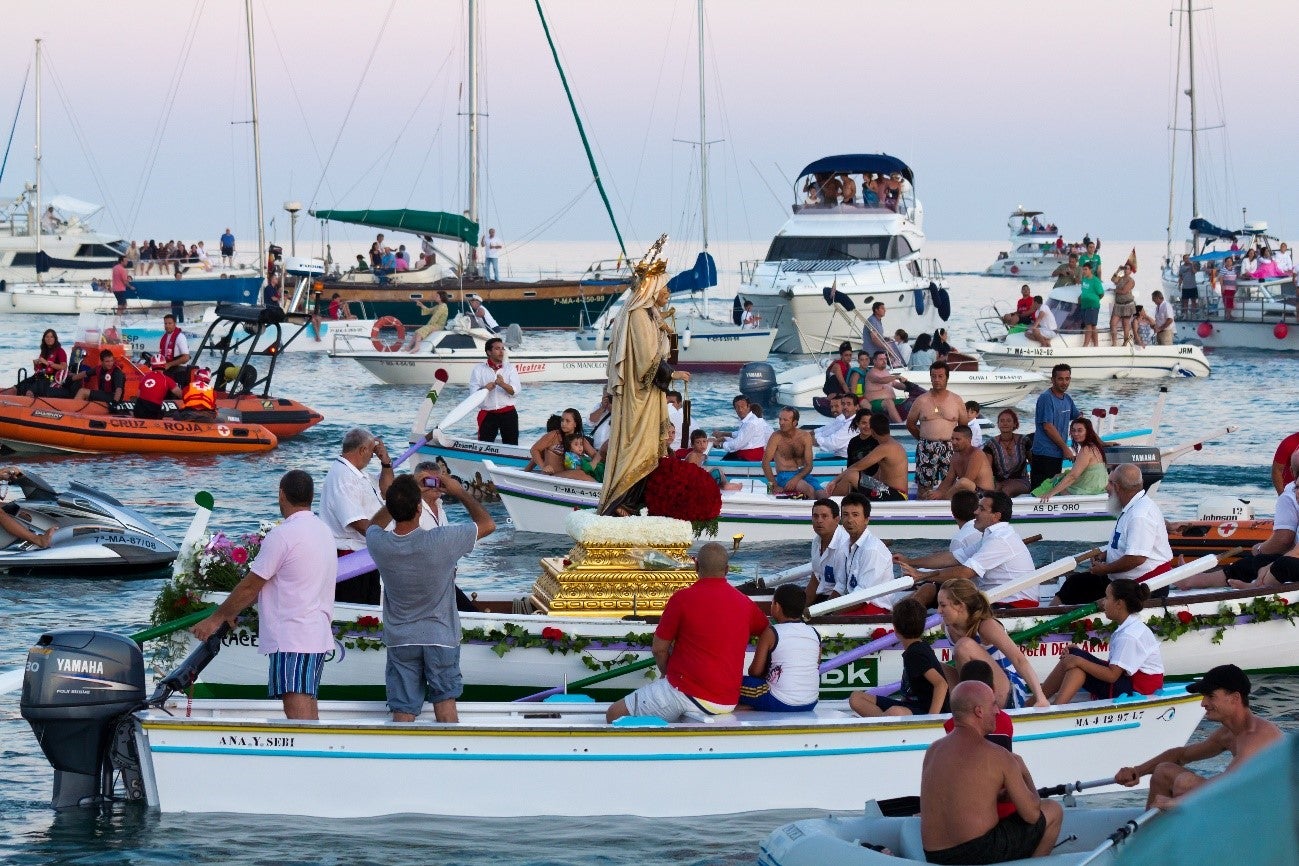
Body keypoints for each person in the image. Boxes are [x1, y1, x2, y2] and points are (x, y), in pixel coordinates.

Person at [191, 470, 337, 720]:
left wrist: (215, 619)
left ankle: (304, 756)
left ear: (282, 494)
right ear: (311, 497)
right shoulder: (323, 532)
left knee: (297, 704)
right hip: (315, 631)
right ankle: (313, 756)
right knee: (307, 701)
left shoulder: (283, 535)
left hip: (294, 635)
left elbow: (251, 585)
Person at [366, 473, 495, 723]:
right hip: (440, 636)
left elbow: (373, 525)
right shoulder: (441, 540)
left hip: (401, 638)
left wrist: (397, 499)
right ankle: (452, 757)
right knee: (445, 701)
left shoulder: (379, 544)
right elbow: (488, 524)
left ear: (392, 509)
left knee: (402, 709)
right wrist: (460, 492)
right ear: (419, 508)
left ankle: (401, 759)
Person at [606, 543, 770, 723]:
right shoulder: (745, 604)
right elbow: (768, 632)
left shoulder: (682, 599)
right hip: (726, 701)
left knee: (614, 714)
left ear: (696, 566)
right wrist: (758, 670)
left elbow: (659, 649)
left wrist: (668, 674)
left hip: (685, 691)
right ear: (727, 569)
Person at [920, 680, 1062, 864]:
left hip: (935, 855)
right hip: (978, 852)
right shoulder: (998, 755)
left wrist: (996, 795)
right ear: (979, 711)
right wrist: (1025, 774)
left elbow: (958, 797)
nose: (997, 711)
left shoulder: (933, 750)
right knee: (1053, 810)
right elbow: (1032, 815)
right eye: (994, 704)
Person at [598, 245, 691, 515]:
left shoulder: (649, 314)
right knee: (637, 448)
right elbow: (644, 361)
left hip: (651, 395)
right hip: (641, 395)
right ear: (652, 288)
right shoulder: (639, 315)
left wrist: (664, 328)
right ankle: (621, 503)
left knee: (650, 447)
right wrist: (672, 374)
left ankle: (634, 504)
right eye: (665, 288)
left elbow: (656, 349)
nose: (669, 293)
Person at [1114, 665, 1282, 809]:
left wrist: (1176, 803)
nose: (1203, 703)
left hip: (1270, 815)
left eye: (1210, 696)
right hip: (1244, 802)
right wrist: (1137, 771)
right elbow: (1180, 755)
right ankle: (1148, 841)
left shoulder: (1257, 737)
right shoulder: (1228, 733)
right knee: (1164, 770)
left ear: (1235, 698)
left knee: (1184, 784)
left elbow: (1229, 784)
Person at [1177, 452, 1298, 590]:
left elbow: (1284, 540)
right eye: (1296, 488)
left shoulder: (1288, 495)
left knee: (1281, 564)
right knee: (1258, 561)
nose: (1295, 493)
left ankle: (1256, 589)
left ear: (1291, 471)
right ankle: (1194, 580)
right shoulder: (1291, 495)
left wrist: (1260, 550)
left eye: (1297, 488)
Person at [898, 492, 1038, 609]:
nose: (975, 512)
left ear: (996, 516)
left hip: (1013, 604)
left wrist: (921, 575)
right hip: (996, 599)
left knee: (938, 593)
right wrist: (910, 561)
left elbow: (964, 573)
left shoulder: (1000, 539)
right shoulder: (992, 536)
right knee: (932, 590)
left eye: (982, 509)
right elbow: (952, 557)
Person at [1043, 578, 1163, 704]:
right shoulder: (1130, 627)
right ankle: (1043, 703)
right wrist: (1079, 657)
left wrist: (1079, 660)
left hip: (1136, 690)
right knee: (1074, 654)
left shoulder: (1129, 635)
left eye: (1106, 597)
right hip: (1128, 682)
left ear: (1119, 604)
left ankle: (1052, 707)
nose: (1102, 602)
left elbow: (1112, 676)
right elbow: (1116, 669)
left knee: (1077, 663)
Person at [934, 578, 1049, 708]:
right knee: (932, 665)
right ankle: (952, 708)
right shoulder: (948, 628)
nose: (938, 611)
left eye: (943, 605)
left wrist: (1040, 698)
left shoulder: (986, 625)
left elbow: (1019, 660)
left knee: (964, 646)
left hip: (1010, 691)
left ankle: (967, 707)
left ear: (960, 606)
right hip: (979, 687)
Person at [321, 427, 394, 606]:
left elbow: (387, 492)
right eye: (371, 451)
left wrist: (386, 463)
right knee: (354, 606)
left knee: (370, 608)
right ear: (362, 450)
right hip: (350, 558)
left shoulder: (360, 475)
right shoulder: (343, 477)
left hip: (367, 555)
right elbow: (357, 522)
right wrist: (388, 541)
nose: (372, 456)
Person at [849, 598, 948, 717]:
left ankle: (881, 723)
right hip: (910, 706)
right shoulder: (917, 648)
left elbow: (941, 684)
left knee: (895, 712)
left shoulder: (915, 654)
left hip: (925, 710)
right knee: (856, 697)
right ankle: (882, 721)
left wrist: (932, 718)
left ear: (895, 629)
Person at [738, 584, 820, 712]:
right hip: (810, 702)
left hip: (780, 700)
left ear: (776, 606)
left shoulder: (772, 632)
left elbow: (755, 671)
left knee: (732, 683)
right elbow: (816, 666)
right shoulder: (814, 633)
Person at [820, 493, 900, 615]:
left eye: (855, 515)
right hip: (854, 601)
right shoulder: (844, 546)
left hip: (875, 607)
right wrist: (822, 609)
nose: (850, 520)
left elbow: (862, 597)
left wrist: (829, 613)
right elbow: (840, 586)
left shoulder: (871, 549)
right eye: (845, 515)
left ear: (866, 520)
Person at [905, 361, 967, 498]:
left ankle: (950, 515)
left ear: (947, 378)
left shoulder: (956, 400)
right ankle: (923, 515)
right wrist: (923, 439)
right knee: (924, 486)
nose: (937, 380)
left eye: (940, 376)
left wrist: (959, 447)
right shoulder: (921, 400)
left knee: (950, 484)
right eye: (934, 376)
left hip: (950, 447)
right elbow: (910, 423)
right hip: (926, 446)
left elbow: (964, 427)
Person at [822, 411, 908, 501]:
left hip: (896, 495)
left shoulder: (884, 448)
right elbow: (878, 475)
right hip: (892, 492)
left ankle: (829, 502)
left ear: (873, 432)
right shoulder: (892, 444)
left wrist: (834, 481)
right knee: (853, 478)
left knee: (851, 475)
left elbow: (856, 467)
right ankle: (833, 501)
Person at [1031, 416, 1107, 499]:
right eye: (1073, 430)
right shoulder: (1094, 446)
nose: (1075, 433)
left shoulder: (1086, 449)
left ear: (1088, 432)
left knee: (1054, 482)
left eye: (1080, 430)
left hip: (1087, 488)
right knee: (1058, 476)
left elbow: (1073, 476)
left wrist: (1050, 493)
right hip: (1097, 486)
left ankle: (1035, 499)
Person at [1029, 364, 1078, 491]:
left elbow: (1078, 418)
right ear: (1052, 380)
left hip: (1057, 454)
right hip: (1044, 454)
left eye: (1067, 379)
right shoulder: (1046, 398)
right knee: (1041, 491)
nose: (1064, 382)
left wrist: (1098, 442)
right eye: (1060, 379)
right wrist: (1065, 448)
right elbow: (1048, 426)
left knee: (1051, 491)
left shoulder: (1067, 398)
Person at [469, 337, 521, 445]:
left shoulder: (510, 368)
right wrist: (485, 388)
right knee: (484, 446)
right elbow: (473, 395)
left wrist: (502, 384)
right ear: (489, 352)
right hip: (488, 414)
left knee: (512, 445)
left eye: (503, 348)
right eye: (497, 349)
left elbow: (516, 391)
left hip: (508, 413)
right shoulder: (479, 369)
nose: (502, 351)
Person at [924, 424, 994, 501]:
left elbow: (968, 480)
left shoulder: (977, 454)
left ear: (969, 439)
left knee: (963, 482)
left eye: (957, 439)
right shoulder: (955, 456)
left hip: (985, 495)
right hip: (968, 493)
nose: (953, 442)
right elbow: (948, 480)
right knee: (931, 493)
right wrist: (937, 492)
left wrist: (942, 495)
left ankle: (944, 500)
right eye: (952, 438)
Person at [759, 407, 816, 497]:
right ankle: (811, 511)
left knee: (823, 495)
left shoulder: (805, 436)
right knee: (809, 490)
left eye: (785, 420)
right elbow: (765, 463)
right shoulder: (776, 437)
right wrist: (774, 485)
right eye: (780, 419)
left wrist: (796, 479)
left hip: (802, 474)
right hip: (784, 475)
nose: (781, 423)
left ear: (794, 422)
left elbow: (809, 465)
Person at [528, 408, 599, 480]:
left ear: (575, 424)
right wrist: (543, 466)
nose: (563, 423)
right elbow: (534, 449)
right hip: (551, 477)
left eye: (567, 421)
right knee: (579, 473)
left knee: (581, 472)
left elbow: (596, 455)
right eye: (562, 420)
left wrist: (593, 464)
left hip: (567, 477)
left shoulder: (580, 440)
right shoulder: (554, 435)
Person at [803, 497, 850, 604]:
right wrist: (801, 609)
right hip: (824, 595)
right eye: (815, 516)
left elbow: (841, 588)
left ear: (837, 519)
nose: (819, 520)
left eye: (824, 516)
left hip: (842, 600)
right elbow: (816, 578)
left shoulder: (844, 545)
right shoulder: (816, 541)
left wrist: (822, 612)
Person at [984, 408, 1031, 496]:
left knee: (1006, 490)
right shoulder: (991, 444)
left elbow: (1033, 463)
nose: (1005, 423)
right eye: (1002, 421)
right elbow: (987, 470)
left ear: (1015, 424)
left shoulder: (1024, 441)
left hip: (1021, 481)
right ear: (998, 424)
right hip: (999, 482)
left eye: (1009, 421)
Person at [712, 395, 771, 462]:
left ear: (748, 407)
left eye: (742, 406)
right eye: (737, 407)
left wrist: (719, 444)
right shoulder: (750, 419)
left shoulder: (750, 423)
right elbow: (741, 435)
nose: (740, 409)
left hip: (750, 457)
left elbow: (738, 444)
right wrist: (724, 437)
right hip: (749, 453)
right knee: (728, 455)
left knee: (725, 459)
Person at [17, 329, 69, 397]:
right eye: (47, 337)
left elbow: (64, 367)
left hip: (51, 378)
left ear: (55, 339)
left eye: (51, 337)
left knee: (34, 388)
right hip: (40, 376)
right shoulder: (44, 351)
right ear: (44, 339)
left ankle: (29, 399)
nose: (49, 339)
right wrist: (35, 364)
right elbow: (37, 370)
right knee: (21, 385)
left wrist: (47, 363)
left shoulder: (60, 351)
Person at [863, 351, 907, 422]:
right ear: (874, 361)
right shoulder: (871, 373)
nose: (884, 361)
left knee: (908, 401)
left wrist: (907, 386)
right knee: (888, 402)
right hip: (875, 402)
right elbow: (881, 380)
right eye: (881, 359)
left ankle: (910, 423)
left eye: (885, 359)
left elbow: (894, 384)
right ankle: (900, 425)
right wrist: (896, 376)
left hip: (891, 400)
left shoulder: (886, 372)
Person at [812, 393, 857, 458]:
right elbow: (826, 431)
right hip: (840, 455)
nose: (845, 407)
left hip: (845, 458)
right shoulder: (843, 421)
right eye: (843, 404)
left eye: (848, 404)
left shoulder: (852, 423)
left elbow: (833, 443)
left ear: (856, 407)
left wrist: (807, 439)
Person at [158, 314, 191, 387]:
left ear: (175, 324)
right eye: (165, 323)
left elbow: (186, 358)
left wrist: (169, 364)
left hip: (178, 371)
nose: (167, 326)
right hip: (168, 369)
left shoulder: (180, 337)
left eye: (170, 323)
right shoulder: (164, 337)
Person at [1077, 263, 1104, 347]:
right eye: (1083, 269)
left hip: (1092, 305)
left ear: (1090, 270)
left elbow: (1101, 293)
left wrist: (1093, 299)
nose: (1084, 271)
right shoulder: (1084, 279)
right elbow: (1084, 291)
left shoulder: (1095, 280)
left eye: (1085, 269)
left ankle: (1085, 345)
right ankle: (1096, 344)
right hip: (1084, 305)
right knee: (1092, 326)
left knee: (1089, 325)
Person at [1110, 264, 1137, 345]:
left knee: (1125, 324)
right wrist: (1118, 270)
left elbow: (1124, 291)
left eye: (1127, 269)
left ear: (1130, 271)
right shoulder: (1121, 278)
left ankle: (1125, 341)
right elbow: (1113, 279)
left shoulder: (1131, 281)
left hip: (1127, 304)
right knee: (1113, 323)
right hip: (1118, 304)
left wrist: (1115, 290)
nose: (1125, 270)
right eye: (1125, 268)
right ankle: (1114, 343)